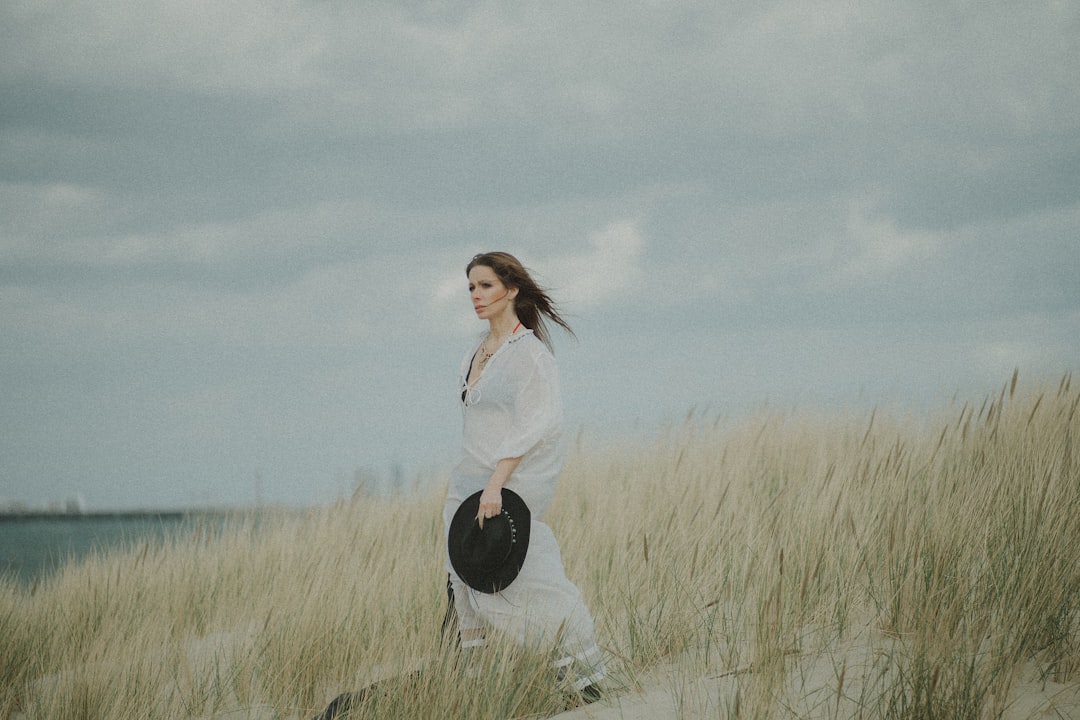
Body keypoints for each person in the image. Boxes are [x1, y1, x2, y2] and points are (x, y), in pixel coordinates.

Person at [443, 251, 605, 698]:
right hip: (464, 487)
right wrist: (472, 485)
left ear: (512, 290)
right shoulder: (475, 352)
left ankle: (581, 676)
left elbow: (538, 424)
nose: (476, 295)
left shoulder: (529, 355)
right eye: (471, 287)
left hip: (502, 489)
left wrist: (495, 484)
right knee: (464, 582)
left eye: (486, 286)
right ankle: (475, 683)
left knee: (526, 579)